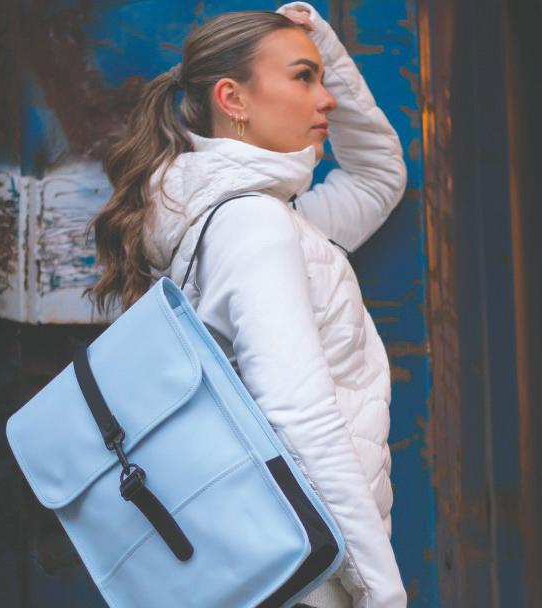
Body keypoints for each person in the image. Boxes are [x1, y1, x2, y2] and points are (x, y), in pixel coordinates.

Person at [90, 2, 407, 607]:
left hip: (282, 559)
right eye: (303, 77)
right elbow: (299, 417)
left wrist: (321, 45)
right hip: (310, 571)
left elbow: (378, 177)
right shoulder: (256, 227)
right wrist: (381, 592)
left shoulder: (260, 219)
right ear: (232, 99)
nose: (327, 99)